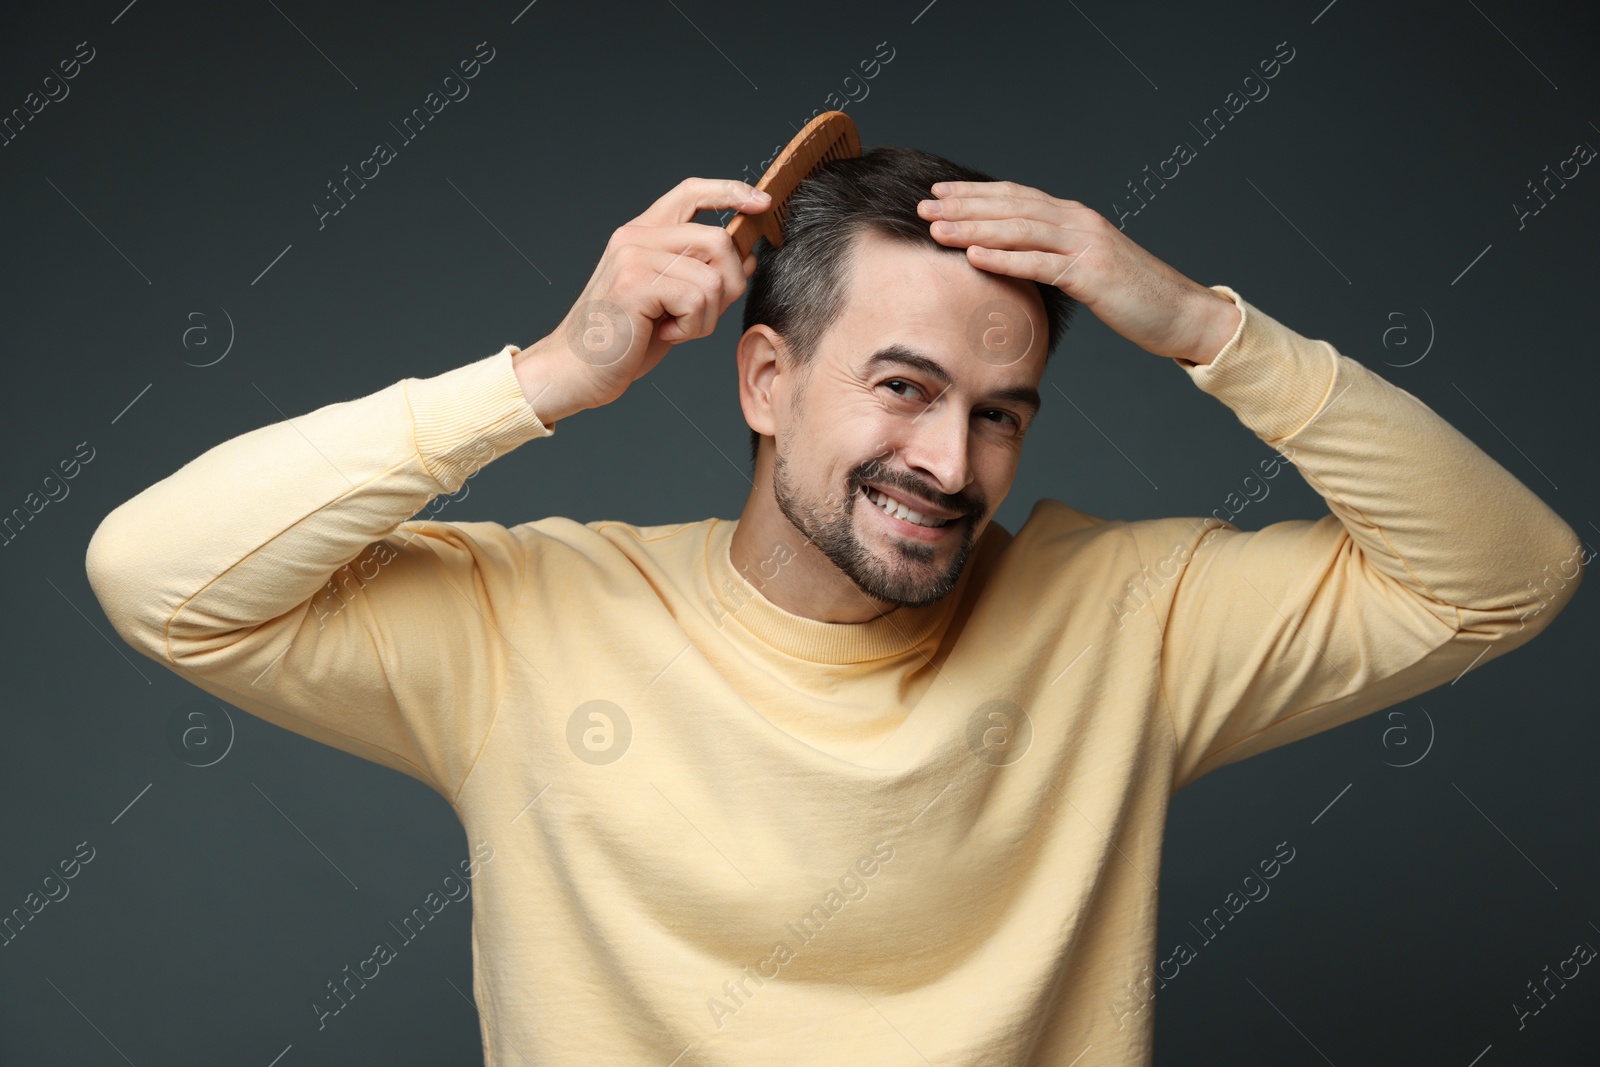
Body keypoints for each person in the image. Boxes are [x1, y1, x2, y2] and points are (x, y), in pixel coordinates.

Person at [85, 145, 1583, 1065]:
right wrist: (545, 377)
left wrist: (1206, 331)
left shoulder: (1126, 620)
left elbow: (1512, 574)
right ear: (764, 378)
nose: (950, 461)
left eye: (1001, 411)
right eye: (905, 388)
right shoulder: (526, 621)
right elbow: (159, 579)